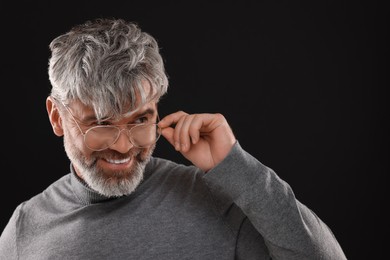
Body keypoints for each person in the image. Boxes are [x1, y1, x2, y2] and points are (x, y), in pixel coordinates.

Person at [0, 18, 347, 259]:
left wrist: (238, 167)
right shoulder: (25, 229)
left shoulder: (214, 200)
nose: (124, 146)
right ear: (57, 117)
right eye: (101, 124)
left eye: (141, 119)